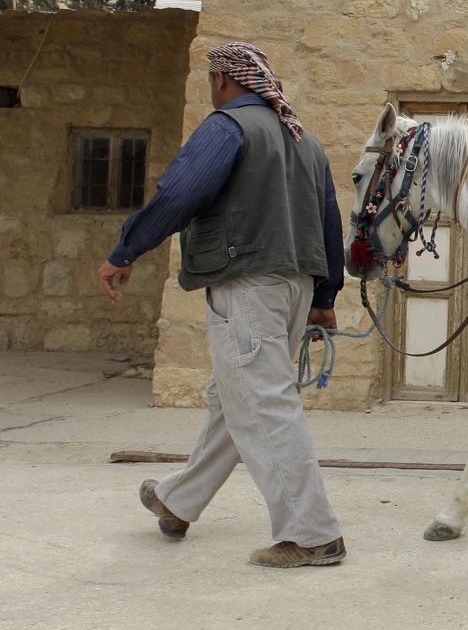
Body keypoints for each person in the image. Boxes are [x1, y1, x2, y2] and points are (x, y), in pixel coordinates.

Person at [97, 42, 346, 568]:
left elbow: (179, 193)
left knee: (263, 403)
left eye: (211, 81)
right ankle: (178, 500)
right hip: (296, 286)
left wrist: (126, 250)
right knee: (232, 397)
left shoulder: (228, 127)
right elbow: (329, 220)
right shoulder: (305, 141)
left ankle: (313, 535)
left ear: (223, 80)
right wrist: (324, 298)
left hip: (248, 284)